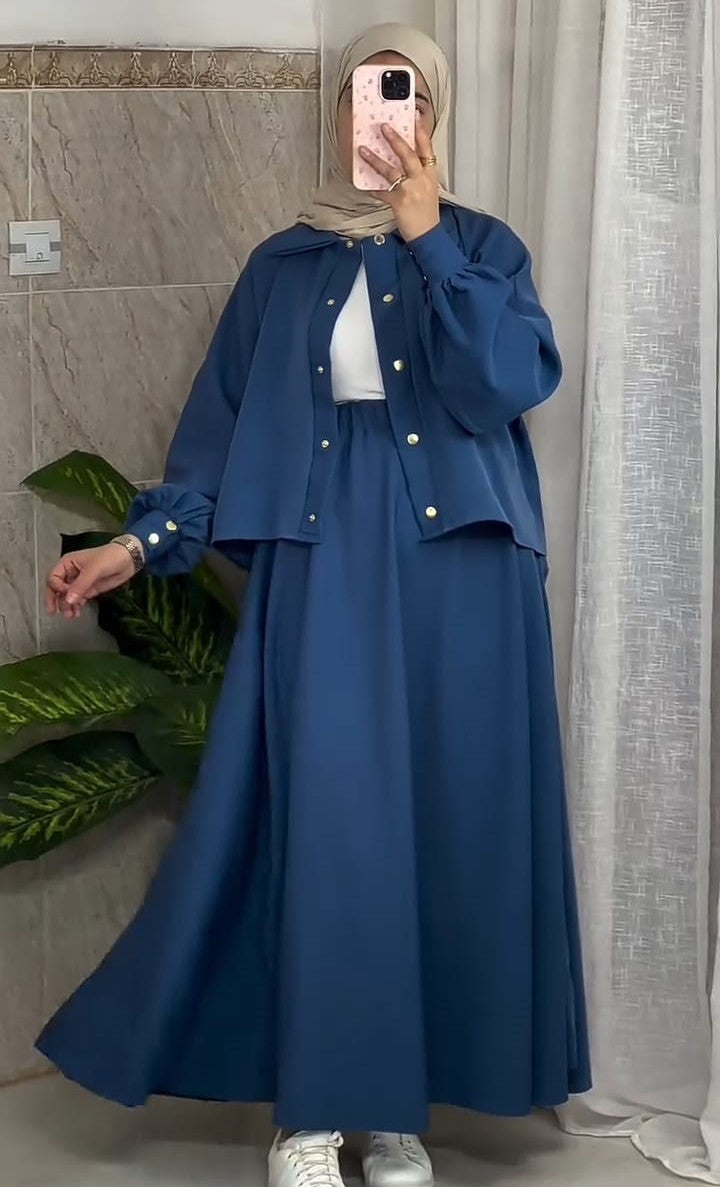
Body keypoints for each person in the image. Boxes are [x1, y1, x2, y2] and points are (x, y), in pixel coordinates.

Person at [37, 23, 592, 1187]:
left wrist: (428, 236)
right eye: (366, 94)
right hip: (327, 567)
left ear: (436, 116)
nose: (385, 117)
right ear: (335, 112)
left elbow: (503, 382)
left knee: (444, 831)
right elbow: (218, 432)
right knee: (334, 829)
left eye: (409, 97)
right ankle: (313, 1113)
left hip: (466, 582)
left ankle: (393, 1114)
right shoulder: (280, 267)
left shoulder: (483, 249)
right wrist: (138, 544)